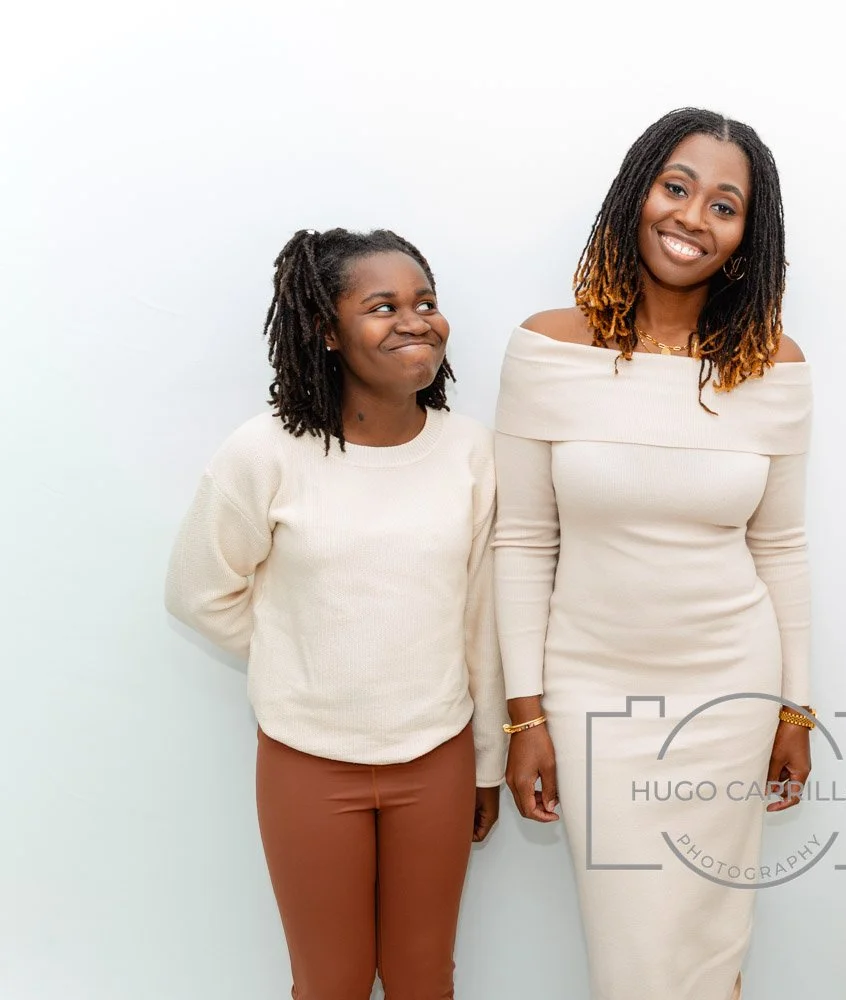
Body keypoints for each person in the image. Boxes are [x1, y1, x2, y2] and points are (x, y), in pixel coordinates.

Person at [492, 107, 813, 1000]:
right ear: (638, 196)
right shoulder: (548, 348)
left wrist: (796, 708)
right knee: (632, 956)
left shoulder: (774, 367)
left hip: (730, 692)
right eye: (676, 187)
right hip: (593, 688)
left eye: (724, 204)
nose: (691, 216)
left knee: (711, 942)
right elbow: (520, 542)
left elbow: (780, 547)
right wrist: (525, 717)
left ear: (748, 236)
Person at [165, 228, 503, 1000]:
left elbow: (481, 621)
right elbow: (196, 590)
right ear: (326, 330)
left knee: (424, 979)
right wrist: (301, 650)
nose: (414, 321)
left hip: (436, 756)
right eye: (382, 307)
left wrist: (485, 761)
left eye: (426, 302)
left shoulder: (471, 453)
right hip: (308, 762)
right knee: (331, 983)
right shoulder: (266, 453)